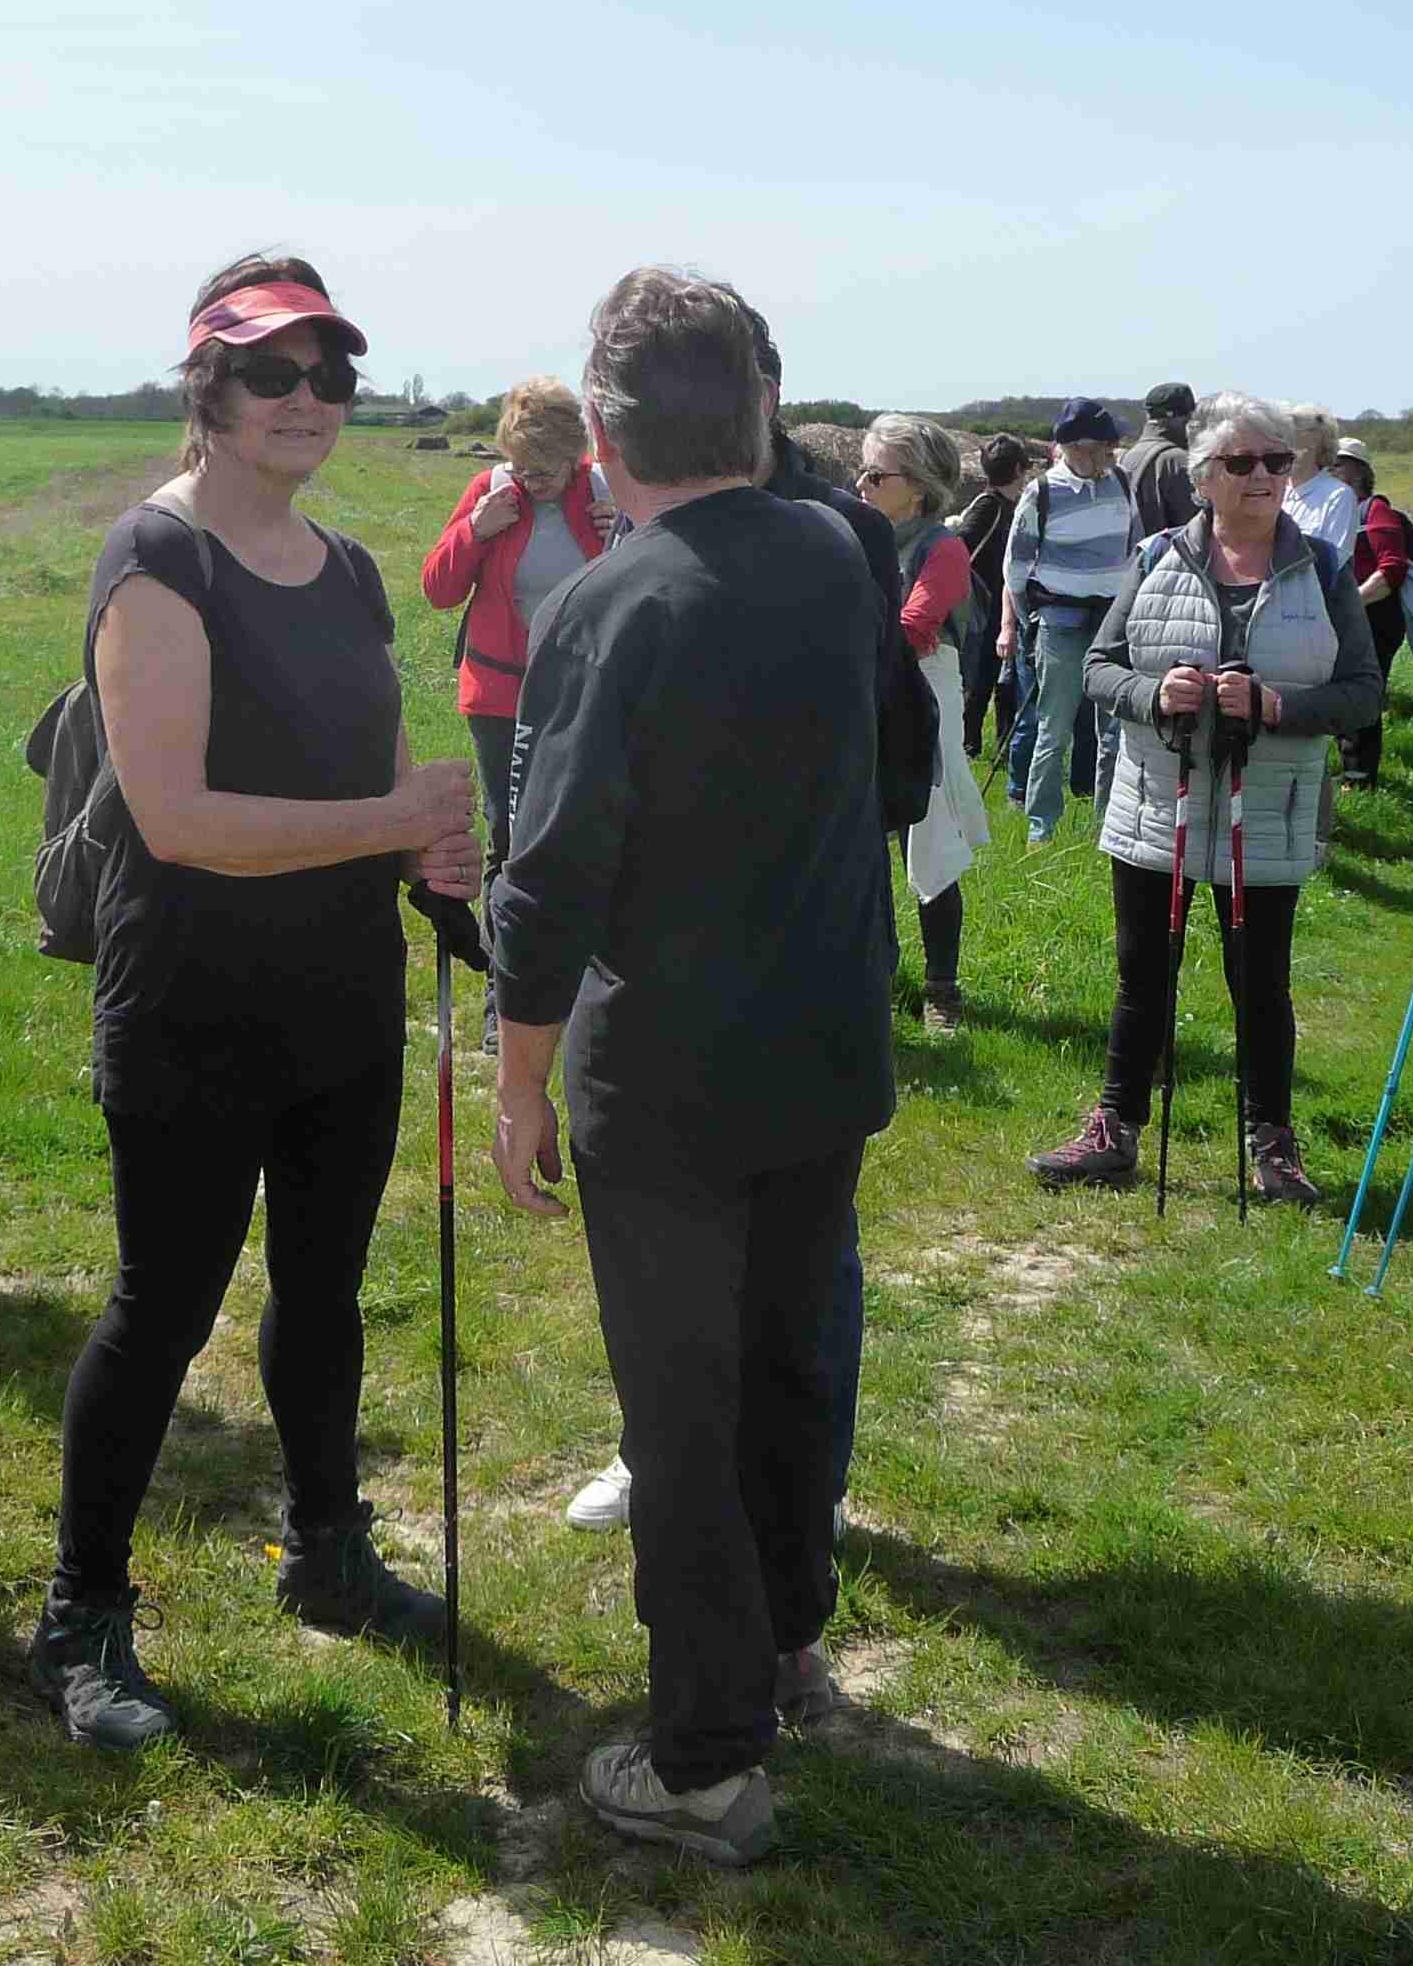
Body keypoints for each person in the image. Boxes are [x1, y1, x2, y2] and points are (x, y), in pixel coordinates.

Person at [35, 253, 481, 1754]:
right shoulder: (157, 566)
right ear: (208, 391)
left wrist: (437, 846)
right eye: (274, 373)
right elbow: (178, 818)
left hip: (340, 996)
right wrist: (388, 819)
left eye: (333, 376)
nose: (309, 402)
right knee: (162, 1305)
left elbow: (381, 779)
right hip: (191, 1000)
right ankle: (82, 1614)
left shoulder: (348, 570)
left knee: (325, 1294)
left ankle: (326, 1551)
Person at [491, 264, 895, 1870]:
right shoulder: (831, 550)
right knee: (792, 1362)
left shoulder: (608, 599)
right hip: (822, 1040)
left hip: (666, 1070)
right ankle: (791, 1642)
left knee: (684, 1408)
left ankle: (708, 1756)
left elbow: (555, 870)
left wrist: (517, 1082)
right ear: (764, 411)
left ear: (600, 430)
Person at [1026, 396, 1381, 1202]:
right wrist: (1157, 694)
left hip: (1271, 809)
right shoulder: (1153, 558)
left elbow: (1362, 693)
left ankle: (1272, 1144)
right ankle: (1114, 1129)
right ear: (1203, 477)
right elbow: (1098, 669)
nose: (1264, 477)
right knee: (1141, 975)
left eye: (1278, 462)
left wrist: (1277, 706)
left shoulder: (1324, 568)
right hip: (1158, 805)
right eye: (1243, 463)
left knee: (1261, 983)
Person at [418, 376, 620, 966]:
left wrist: (623, 541)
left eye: (545, 470)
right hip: (501, 696)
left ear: (575, 454)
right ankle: (504, 991)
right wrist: (474, 531)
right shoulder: (491, 490)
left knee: (585, 832)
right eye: (522, 468)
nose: (532, 482)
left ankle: (582, 977)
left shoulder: (605, 494)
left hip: (583, 695)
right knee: (508, 838)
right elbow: (438, 589)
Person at [853, 417, 985, 1034]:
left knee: (928, 842)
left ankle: (941, 989)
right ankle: (869, 976)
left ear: (919, 486)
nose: (861, 483)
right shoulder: (859, 535)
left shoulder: (943, 547)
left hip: (921, 700)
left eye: (876, 474)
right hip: (863, 692)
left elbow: (914, 628)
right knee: (856, 845)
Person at [995, 398, 1132, 844]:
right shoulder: (1043, 493)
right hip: (1061, 618)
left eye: (1108, 448)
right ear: (1068, 447)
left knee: (1112, 728)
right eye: (1093, 449)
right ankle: (1041, 827)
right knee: (1054, 726)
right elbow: (1016, 567)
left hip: (1112, 619)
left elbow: (1136, 549)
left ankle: (1106, 825)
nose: (1101, 458)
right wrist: (1023, 618)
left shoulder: (1123, 485)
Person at [1336, 446, 1413, 788]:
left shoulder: (1376, 511)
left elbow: (1392, 570)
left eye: (1336, 465)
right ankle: (1347, 770)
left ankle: (1360, 777)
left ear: (1357, 472)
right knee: (1343, 694)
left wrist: (1351, 603)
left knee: (1362, 697)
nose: (1328, 471)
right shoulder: (1339, 512)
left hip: (1376, 620)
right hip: (1352, 617)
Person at [951, 435, 1031, 762]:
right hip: (986, 608)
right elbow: (959, 546)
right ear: (1017, 469)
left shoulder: (1011, 505)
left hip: (1002, 607)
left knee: (1003, 682)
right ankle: (968, 747)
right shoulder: (990, 505)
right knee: (982, 680)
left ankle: (1000, 748)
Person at [1118, 382, 1198, 540]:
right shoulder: (1180, 461)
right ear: (1185, 419)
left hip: (1136, 560)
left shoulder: (1125, 458)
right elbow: (1196, 529)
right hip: (1171, 559)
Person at [1283, 421, 1362, 563]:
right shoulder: (1276, 491)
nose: (1288, 453)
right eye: (1284, 445)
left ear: (1320, 452)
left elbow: (1335, 559)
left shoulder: (1339, 495)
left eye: (1297, 446)